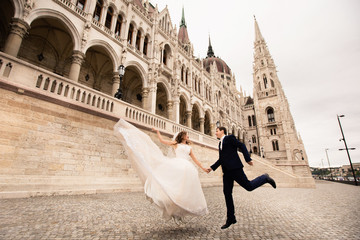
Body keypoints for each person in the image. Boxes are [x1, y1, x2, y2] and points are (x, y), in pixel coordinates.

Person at [114, 119, 208, 221]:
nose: (188, 136)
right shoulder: (176, 144)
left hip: (187, 167)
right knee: (172, 184)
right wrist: (158, 132)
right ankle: (171, 202)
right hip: (178, 164)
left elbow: (196, 160)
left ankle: (182, 206)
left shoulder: (189, 148)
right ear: (182, 136)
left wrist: (203, 168)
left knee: (184, 188)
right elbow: (162, 141)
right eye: (186, 135)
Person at [207, 126, 276, 229]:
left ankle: (265, 178)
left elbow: (242, 145)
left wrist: (247, 158)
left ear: (222, 131)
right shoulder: (220, 143)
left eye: (217, 131)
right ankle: (231, 218)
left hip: (235, 169)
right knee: (227, 193)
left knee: (249, 186)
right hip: (226, 172)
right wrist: (211, 168)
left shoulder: (230, 138)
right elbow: (221, 159)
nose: (215, 132)